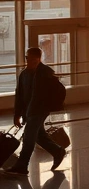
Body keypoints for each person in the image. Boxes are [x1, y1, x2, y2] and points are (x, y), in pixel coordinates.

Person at [4, 48, 65, 176]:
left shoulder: (45, 73)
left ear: (38, 59)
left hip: (39, 111)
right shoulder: (24, 74)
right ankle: (57, 151)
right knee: (39, 136)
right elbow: (19, 95)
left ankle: (22, 165)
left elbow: (58, 91)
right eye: (27, 58)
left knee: (28, 136)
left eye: (32, 58)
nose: (29, 61)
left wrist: (51, 106)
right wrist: (17, 114)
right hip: (29, 111)